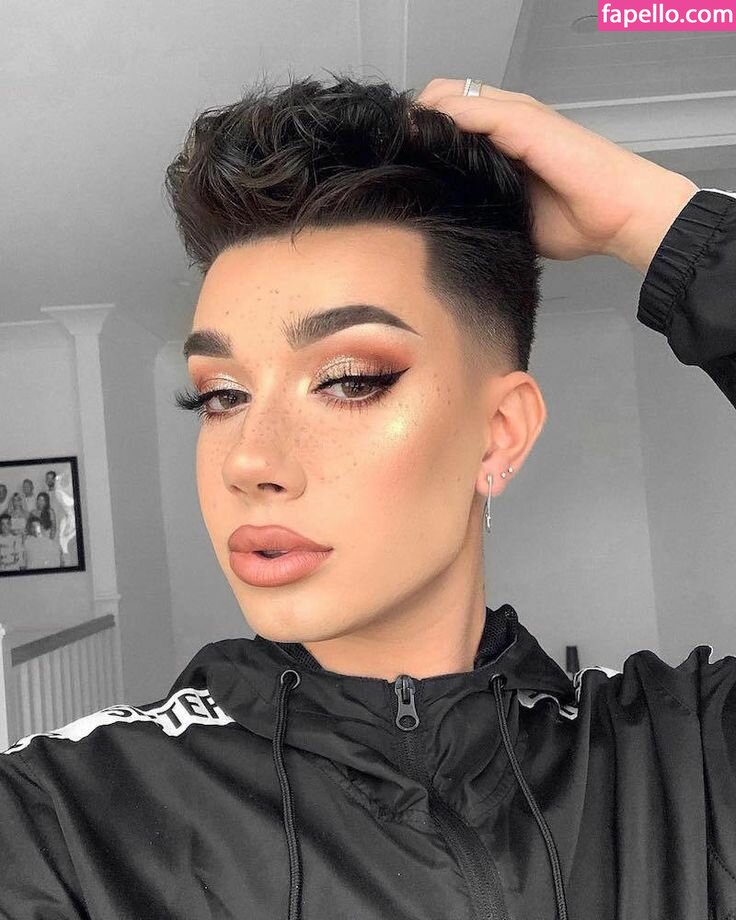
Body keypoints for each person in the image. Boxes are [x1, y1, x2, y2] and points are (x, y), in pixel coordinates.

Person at [1, 73, 734, 920]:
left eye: (349, 379)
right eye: (221, 394)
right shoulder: (62, 825)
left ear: (499, 434)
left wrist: (658, 222)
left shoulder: (686, 761)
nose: (250, 459)